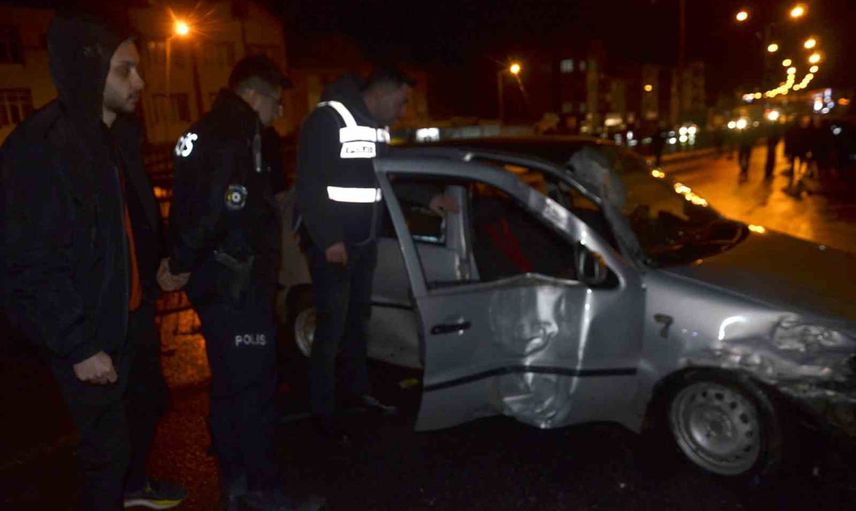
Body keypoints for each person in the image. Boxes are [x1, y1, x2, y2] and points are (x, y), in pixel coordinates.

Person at [1, 9, 184, 511]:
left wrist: (158, 267)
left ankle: (134, 489)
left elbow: (131, 222)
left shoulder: (118, 136)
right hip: (87, 330)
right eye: (126, 69)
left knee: (147, 406)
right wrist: (78, 345)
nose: (140, 82)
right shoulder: (40, 149)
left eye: (138, 68)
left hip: (132, 317)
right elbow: (28, 262)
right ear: (88, 69)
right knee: (106, 450)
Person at [162, 55, 320, 511]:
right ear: (253, 95)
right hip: (237, 285)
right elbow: (218, 209)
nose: (279, 111)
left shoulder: (202, 131)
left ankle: (234, 481)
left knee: (230, 385)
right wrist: (179, 261)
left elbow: (186, 205)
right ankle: (261, 489)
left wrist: (180, 259)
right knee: (254, 388)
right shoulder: (237, 135)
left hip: (217, 283)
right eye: (276, 101)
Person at [294, 68, 457, 440]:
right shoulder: (329, 119)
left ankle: (358, 394)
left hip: (363, 243)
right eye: (401, 102)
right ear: (382, 94)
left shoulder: (378, 128)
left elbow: (388, 177)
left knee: (358, 324)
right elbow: (309, 185)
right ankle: (323, 411)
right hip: (333, 246)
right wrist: (329, 240)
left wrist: (429, 197)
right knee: (332, 328)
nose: (403, 111)